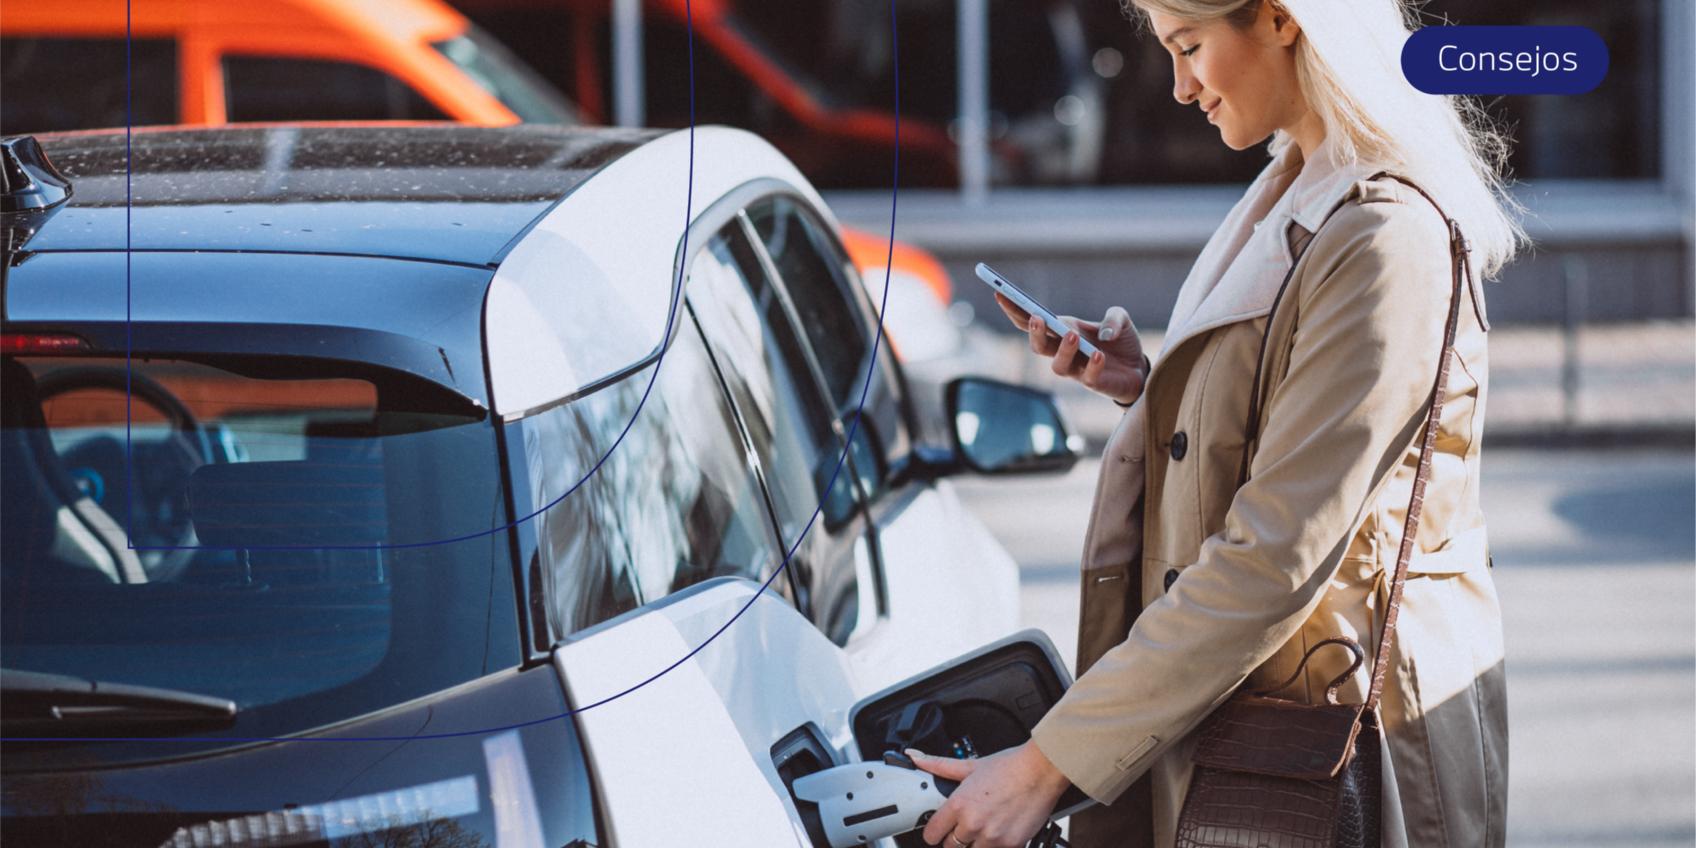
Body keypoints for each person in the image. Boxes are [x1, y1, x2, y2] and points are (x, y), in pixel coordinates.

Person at [906, 1, 1519, 846]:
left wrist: (1049, 763)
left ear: (1280, 19)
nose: (1181, 86)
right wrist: (1151, 391)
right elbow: (1284, 435)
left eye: (1189, 47)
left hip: (1330, 744)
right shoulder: (1302, 184)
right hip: (1255, 722)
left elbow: (1278, 551)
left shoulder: (1385, 234)